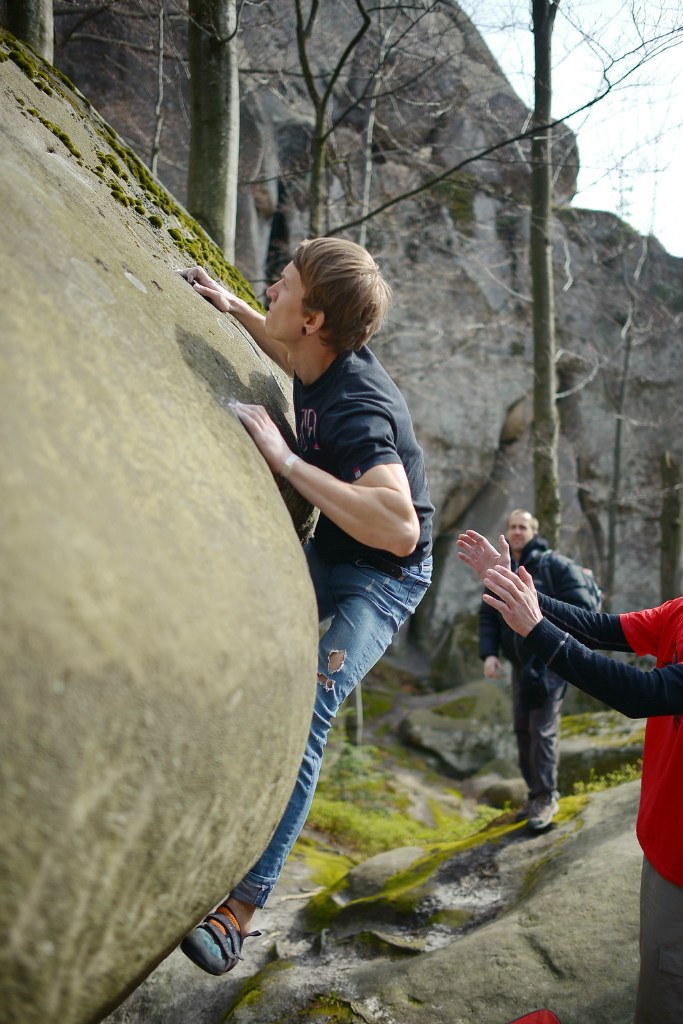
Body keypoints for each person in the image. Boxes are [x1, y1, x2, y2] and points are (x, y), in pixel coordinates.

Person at [177, 238, 434, 976]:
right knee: (239, 626)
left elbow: (399, 523)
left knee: (314, 702)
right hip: (337, 551)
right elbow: (290, 354)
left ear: (314, 317)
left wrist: (286, 462)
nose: (270, 288)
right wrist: (232, 308)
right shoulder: (317, 353)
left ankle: (241, 910)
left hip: (383, 580)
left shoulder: (358, 406)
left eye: (280, 286)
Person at [458, 528, 683, 1024]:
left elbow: (643, 694)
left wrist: (537, 630)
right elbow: (602, 629)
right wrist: (517, 592)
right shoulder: (680, 611)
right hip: (663, 848)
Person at [478, 509, 599, 831]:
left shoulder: (553, 565)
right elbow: (489, 614)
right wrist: (489, 654)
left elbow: (582, 610)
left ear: (534, 531)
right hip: (521, 665)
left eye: (523, 527)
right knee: (522, 729)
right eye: (512, 526)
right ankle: (535, 795)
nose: (517, 532)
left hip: (552, 661)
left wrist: (540, 616)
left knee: (541, 728)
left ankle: (546, 798)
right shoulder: (503, 569)